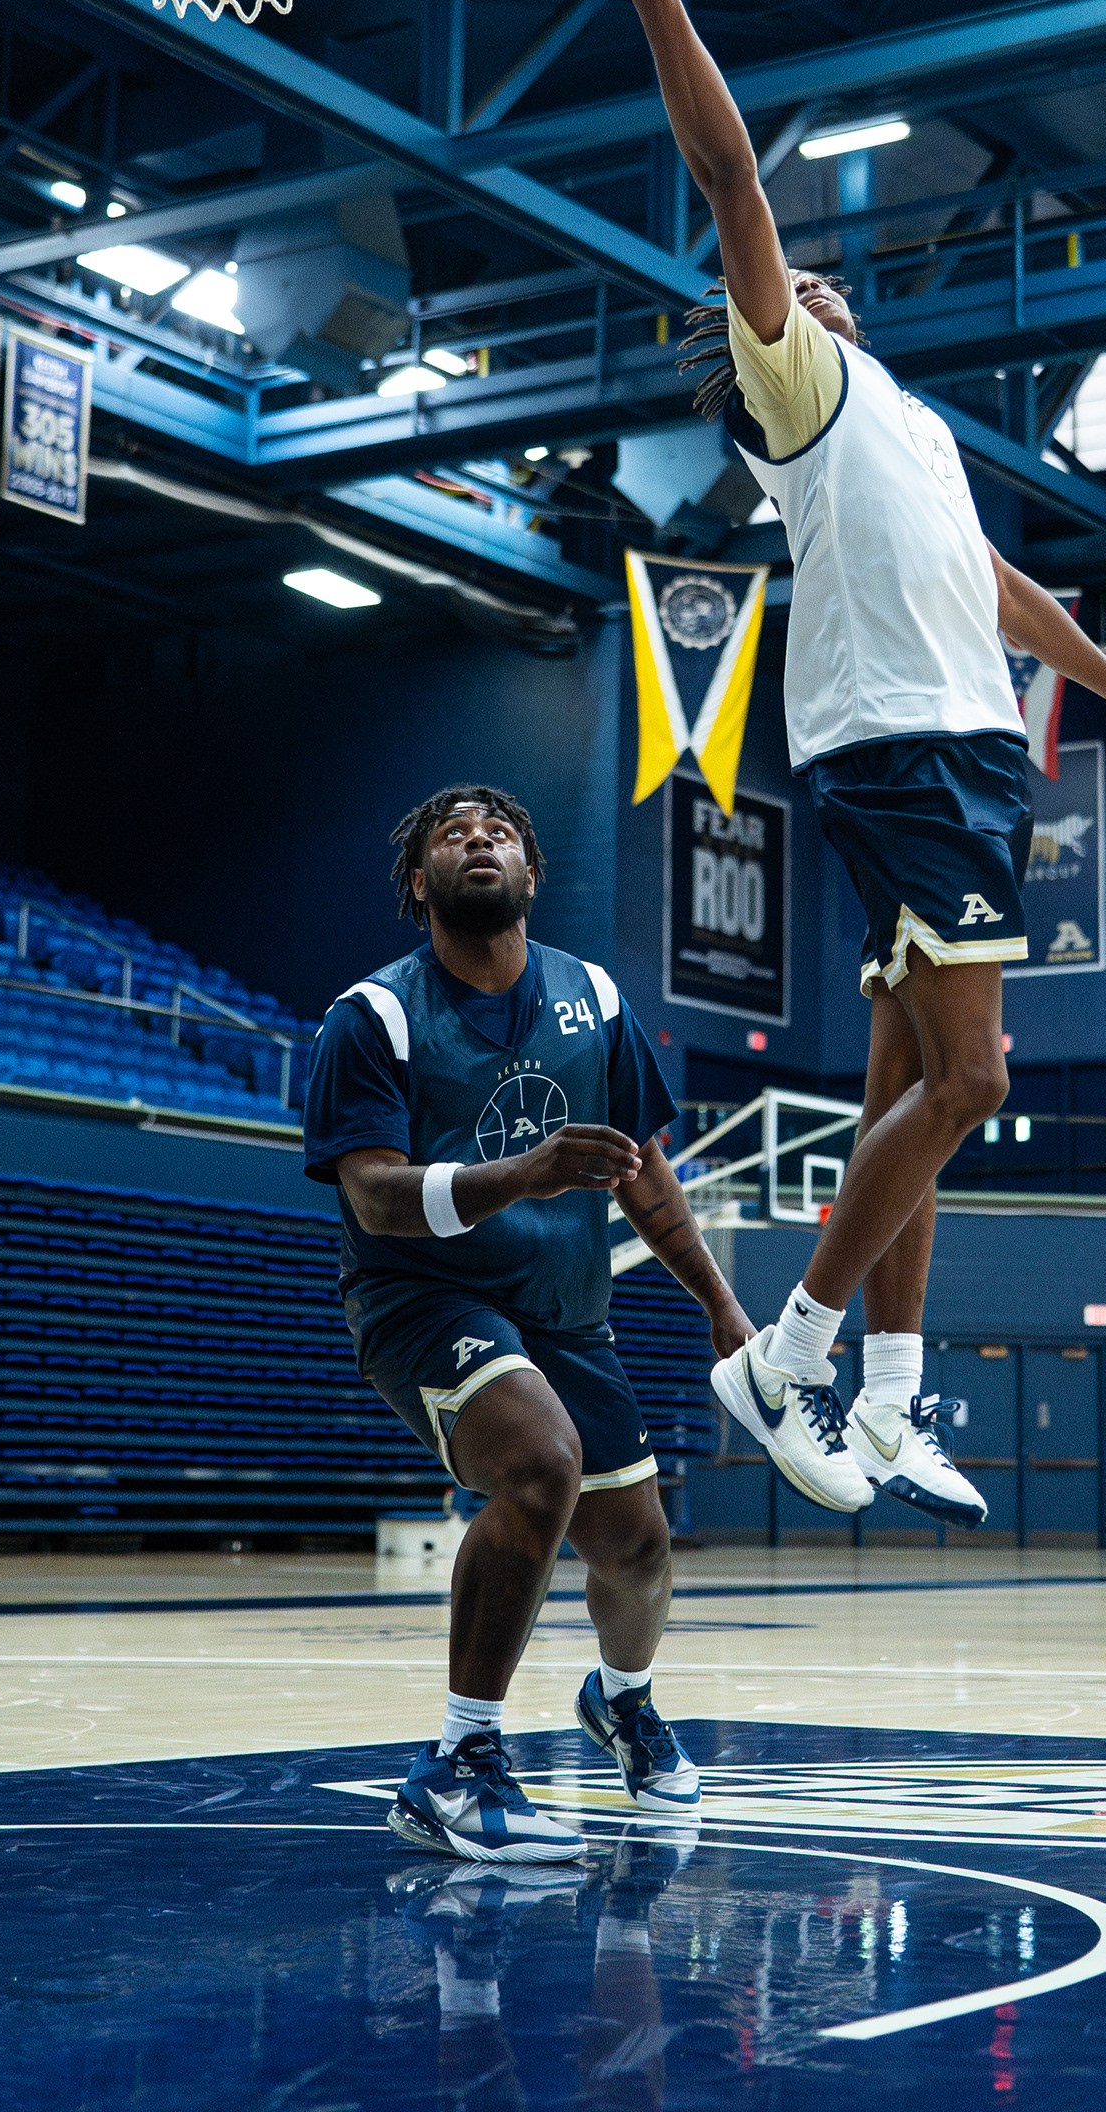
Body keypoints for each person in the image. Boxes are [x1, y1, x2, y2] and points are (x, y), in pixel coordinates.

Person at [554, 0, 1106, 1523]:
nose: (808, 285)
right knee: (978, 1083)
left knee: (907, 1091)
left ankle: (897, 1399)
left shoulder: (908, 427)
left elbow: (1005, 591)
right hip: (903, 751)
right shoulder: (803, 395)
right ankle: (785, 1355)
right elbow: (729, 178)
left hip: (966, 751)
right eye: (785, 291)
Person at [303, 782, 752, 1861]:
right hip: (422, 1298)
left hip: (564, 1311)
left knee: (636, 1546)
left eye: (499, 831)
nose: (478, 839)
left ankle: (622, 1702)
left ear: (532, 875)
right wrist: (522, 1174)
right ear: (420, 884)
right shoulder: (372, 1016)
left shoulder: (592, 997)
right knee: (541, 1463)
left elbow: (644, 1173)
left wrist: (723, 1305)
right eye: (451, 835)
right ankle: (457, 1766)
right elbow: (374, 1196)